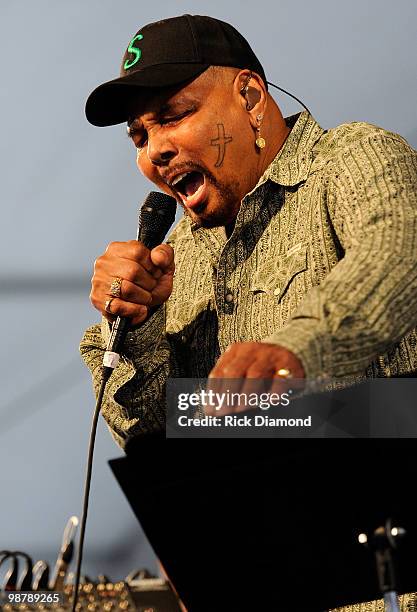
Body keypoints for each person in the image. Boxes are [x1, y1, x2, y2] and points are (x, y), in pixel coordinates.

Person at [80, 14, 417, 447]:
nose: (155, 151)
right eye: (139, 137)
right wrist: (138, 323)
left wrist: (295, 353)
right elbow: (151, 436)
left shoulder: (348, 159)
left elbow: (395, 257)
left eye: (174, 115)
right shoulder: (175, 255)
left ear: (251, 97)